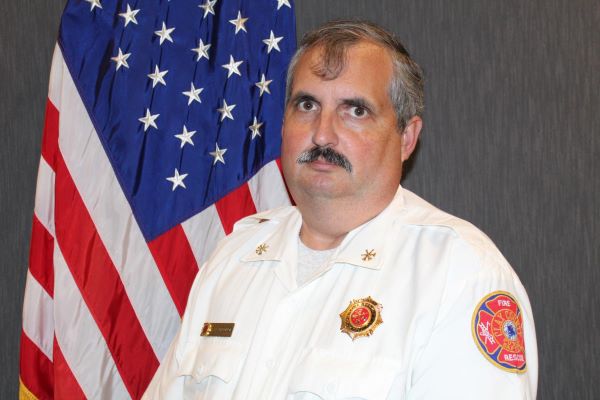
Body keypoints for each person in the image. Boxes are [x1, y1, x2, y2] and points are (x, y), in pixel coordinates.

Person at [143, 20, 538, 399]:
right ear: (282, 124)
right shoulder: (235, 256)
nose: (322, 133)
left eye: (355, 110)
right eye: (307, 104)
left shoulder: (459, 273)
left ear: (406, 137)